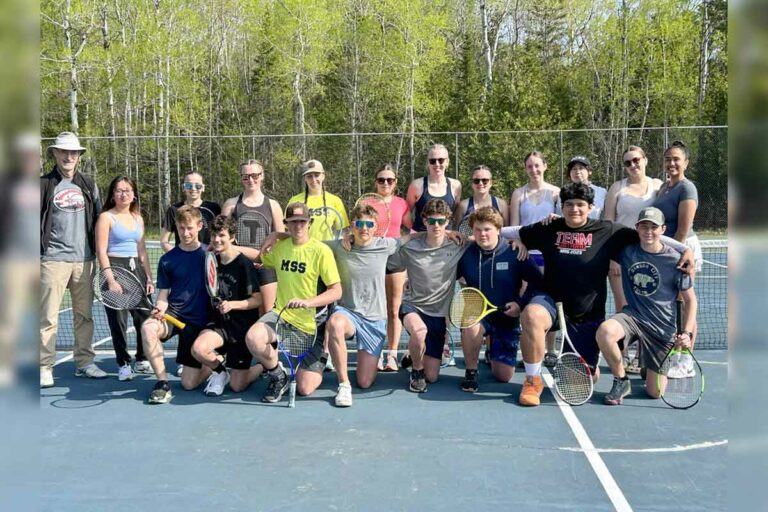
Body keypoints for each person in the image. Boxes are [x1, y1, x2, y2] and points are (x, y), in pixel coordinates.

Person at [500, 182, 695, 407]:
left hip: (587, 315)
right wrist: (513, 240)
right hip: (552, 303)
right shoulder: (548, 228)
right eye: (569, 205)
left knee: (581, 382)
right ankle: (532, 381)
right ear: (562, 207)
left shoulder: (609, 231)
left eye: (580, 205)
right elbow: (502, 231)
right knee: (532, 315)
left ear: (591, 207)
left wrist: (684, 249)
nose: (575, 209)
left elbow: (649, 235)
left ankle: (590, 368)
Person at [596, 207, 697, 405]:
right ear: (637, 228)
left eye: (654, 227)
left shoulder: (676, 260)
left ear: (663, 229)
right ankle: (621, 380)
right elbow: (594, 234)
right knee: (605, 331)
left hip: (661, 330)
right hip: (632, 317)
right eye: (644, 227)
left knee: (655, 392)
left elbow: (691, 300)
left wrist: (686, 333)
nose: (648, 231)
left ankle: (648, 366)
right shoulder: (626, 252)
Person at [244, 202, 341, 404]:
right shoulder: (280, 248)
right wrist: (230, 246)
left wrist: (308, 302)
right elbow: (260, 257)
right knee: (253, 338)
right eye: (293, 222)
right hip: (281, 316)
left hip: (310, 326)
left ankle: (322, 356)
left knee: (305, 388)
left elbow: (336, 291)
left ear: (309, 223)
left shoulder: (321, 251)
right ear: (287, 224)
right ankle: (278, 375)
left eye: (302, 222)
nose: (298, 226)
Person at [40, 132, 107, 388]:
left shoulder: (88, 184)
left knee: (85, 316)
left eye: (73, 153)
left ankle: (84, 362)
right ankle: (44, 366)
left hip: (85, 261)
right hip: (52, 260)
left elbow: (99, 219)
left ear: (79, 156)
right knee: (47, 317)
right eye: (64, 152)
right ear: (55, 154)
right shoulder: (43, 185)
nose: (69, 157)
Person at [456, 207, 543, 393]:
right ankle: (471, 372)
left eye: (487, 229)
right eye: (477, 230)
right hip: (477, 313)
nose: (482, 234)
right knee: (470, 325)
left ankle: (491, 349)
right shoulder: (465, 254)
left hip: (506, 317)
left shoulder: (515, 251)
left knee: (503, 377)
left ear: (498, 229)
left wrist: (520, 304)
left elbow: (537, 282)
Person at [324, 204, 401, 406]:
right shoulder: (339, 246)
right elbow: (306, 241)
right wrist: (277, 235)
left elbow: (417, 237)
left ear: (376, 227)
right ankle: (343, 385)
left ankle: (362, 365)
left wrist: (451, 232)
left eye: (369, 224)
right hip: (348, 312)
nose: (364, 228)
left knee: (365, 382)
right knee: (335, 323)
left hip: (374, 319)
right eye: (359, 223)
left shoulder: (386, 244)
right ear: (352, 226)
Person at [386, 198, 466, 393]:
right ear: (424, 221)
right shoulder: (410, 247)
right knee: (419, 332)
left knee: (433, 377)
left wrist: (518, 243)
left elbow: (486, 237)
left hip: (438, 315)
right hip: (413, 306)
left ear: (448, 221)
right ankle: (416, 370)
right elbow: (381, 253)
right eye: (431, 221)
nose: (436, 226)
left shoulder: (458, 245)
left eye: (440, 221)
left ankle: (411, 357)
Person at [139, 206, 211, 404]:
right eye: (181, 228)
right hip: (175, 315)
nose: (185, 233)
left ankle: (216, 364)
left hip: (200, 322)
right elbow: (163, 295)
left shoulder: (210, 255)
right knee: (148, 328)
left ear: (199, 226)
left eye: (189, 228)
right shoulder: (167, 260)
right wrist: (160, 307)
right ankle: (162, 383)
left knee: (188, 384)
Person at [188, 215, 264, 398]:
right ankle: (220, 371)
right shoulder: (211, 261)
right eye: (214, 235)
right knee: (198, 348)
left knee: (238, 386)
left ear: (232, 237)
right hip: (219, 325)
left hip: (241, 329)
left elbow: (257, 300)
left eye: (221, 235)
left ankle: (261, 367)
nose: (216, 240)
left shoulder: (244, 264)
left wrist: (232, 305)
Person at [94, 176, 154, 381]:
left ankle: (142, 359)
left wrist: (148, 277)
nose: (123, 194)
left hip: (136, 268)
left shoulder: (138, 218)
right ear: (112, 194)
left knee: (144, 317)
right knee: (118, 321)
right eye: (119, 190)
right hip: (115, 268)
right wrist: (110, 279)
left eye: (127, 190)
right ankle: (123, 363)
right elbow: (101, 251)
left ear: (133, 194)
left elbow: (142, 250)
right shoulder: (106, 217)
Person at [509, 151, 560, 367]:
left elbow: (561, 225)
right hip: (525, 256)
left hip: (550, 257)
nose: (534, 170)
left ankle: (550, 350)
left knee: (549, 299)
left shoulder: (556, 193)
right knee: (526, 301)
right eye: (529, 166)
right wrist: (519, 243)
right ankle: (529, 350)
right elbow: (514, 226)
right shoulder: (518, 194)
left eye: (537, 165)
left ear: (545, 166)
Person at [603, 146, 663, 316]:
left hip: (650, 252)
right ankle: (623, 342)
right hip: (621, 253)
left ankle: (647, 341)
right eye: (628, 162)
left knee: (650, 301)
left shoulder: (657, 185)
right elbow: (608, 224)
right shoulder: (617, 187)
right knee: (623, 304)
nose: (633, 165)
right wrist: (613, 257)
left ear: (645, 160)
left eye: (636, 160)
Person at [221, 159, 284, 315]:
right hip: (239, 267)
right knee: (241, 314)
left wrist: (266, 258)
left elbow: (281, 239)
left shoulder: (273, 205)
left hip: (265, 267)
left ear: (262, 176)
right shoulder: (231, 204)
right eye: (245, 176)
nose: (250, 180)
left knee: (267, 314)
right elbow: (221, 236)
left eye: (254, 175)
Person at [372, 164, 412, 373]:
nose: (386, 183)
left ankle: (392, 355)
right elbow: (357, 226)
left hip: (396, 258)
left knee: (393, 309)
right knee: (375, 310)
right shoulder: (368, 202)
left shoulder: (401, 203)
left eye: (390, 180)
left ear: (395, 183)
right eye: (381, 180)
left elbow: (412, 228)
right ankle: (375, 354)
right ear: (375, 182)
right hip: (372, 258)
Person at [653, 141, 702, 271]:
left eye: (676, 159)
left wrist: (671, 253)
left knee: (683, 291)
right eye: (667, 160)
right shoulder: (664, 187)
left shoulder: (687, 188)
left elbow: (682, 231)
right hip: (667, 245)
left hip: (681, 247)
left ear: (686, 163)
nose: (671, 163)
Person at [287, 159, 349, 241]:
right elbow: (287, 230)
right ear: (305, 179)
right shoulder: (295, 201)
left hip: (327, 249)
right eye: (309, 176)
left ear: (323, 176)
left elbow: (344, 230)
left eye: (316, 175)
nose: (313, 180)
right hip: (302, 250)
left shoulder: (335, 201)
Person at [160, 171, 220, 253]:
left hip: (208, 259)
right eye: (189, 185)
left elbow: (221, 235)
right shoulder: (174, 209)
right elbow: (164, 241)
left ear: (203, 188)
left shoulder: (214, 208)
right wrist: (178, 256)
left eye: (198, 186)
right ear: (183, 188)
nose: (193, 188)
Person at [406, 144, 462, 231]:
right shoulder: (416, 185)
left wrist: (451, 232)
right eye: (432, 161)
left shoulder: (456, 185)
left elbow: (456, 214)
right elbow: (406, 213)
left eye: (441, 160)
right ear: (428, 163)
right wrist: (415, 232)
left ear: (447, 162)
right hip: (421, 238)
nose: (437, 164)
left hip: (447, 238)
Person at [453, 165, 510, 229]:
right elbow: (456, 231)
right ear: (472, 183)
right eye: (476, 181)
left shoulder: (501, 204)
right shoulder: (463, 206)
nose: (480, 183)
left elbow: (507, 230)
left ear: (491, 183)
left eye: (485, 180)